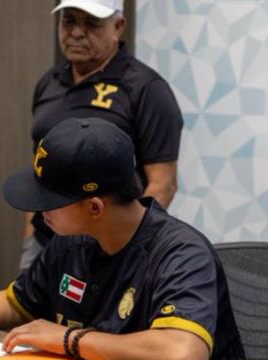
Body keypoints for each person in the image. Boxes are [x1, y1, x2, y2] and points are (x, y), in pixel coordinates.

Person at [0, 117, 250, 360]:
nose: (38, 211)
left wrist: (68, 340)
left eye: (49, 201)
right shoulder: (72, 239)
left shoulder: (181, 253)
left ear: (95, 206)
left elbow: (181, 358)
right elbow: (18, 304)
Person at [21, 0, 183, 271]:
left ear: (118, 26)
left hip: (108, 249)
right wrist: (29, 241)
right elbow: (41, 171)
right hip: (44, 242)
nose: (76, 32)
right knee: (24, 312)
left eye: (91, 23)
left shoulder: (146, 89)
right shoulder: (48, 83)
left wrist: (126, 249)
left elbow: (163, 184)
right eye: (69, 20)